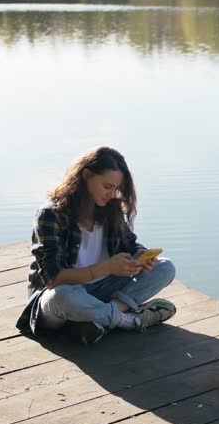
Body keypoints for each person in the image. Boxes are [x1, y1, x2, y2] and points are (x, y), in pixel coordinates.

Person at [16, 146, 176, 345]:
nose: (112, 194)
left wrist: (140, 258)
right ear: (86, 176)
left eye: (116, 189)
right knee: (63, 295)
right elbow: (53, 278)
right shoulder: (51, 214)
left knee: (165, 267)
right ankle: (129, 320)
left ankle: (95, 320)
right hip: (58, 298)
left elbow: (131, 244)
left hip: (102, 291)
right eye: (107, 186)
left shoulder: (110, 209)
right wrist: (107, 267)